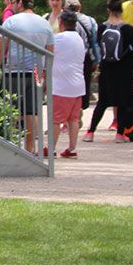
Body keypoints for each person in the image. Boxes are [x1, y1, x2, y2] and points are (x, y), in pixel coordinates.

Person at [0, 0, 53, 154]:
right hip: (36, 73)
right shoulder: (45, 23)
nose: (13, 5)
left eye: (14, 2)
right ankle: (30, 147)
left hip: (13, 72)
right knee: (32, 110)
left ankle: (10, 146)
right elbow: (50, 52)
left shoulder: (11, 22)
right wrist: (46, 76)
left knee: (10, 110)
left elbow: (1, 49)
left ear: (20, 3)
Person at [86, 0, 133, 142]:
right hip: (125, 69)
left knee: (103, 102)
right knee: (124, 102)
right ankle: (120, 134)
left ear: (108, 10)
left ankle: (90, 132)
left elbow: (99, 48)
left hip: (106, 68)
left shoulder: (101, 27)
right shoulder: (127, 29)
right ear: (121, 10)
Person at [50, 10, 87, 158]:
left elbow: (48, 53)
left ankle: (51, 148)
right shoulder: (79, 38)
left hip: (61, 86)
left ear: (61, 23)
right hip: (78, 84)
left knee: (56, 119)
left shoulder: (58, 38)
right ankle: (72, 148)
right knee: (74, 119)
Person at [64, 0, 99, 112]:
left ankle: (72, 111)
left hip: (69, 57)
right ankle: (79, 109)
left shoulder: (64, 20)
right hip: (86, 56)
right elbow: (94, 41)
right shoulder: (90, 20)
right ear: (80, 6)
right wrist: (97, 59)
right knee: (83, 83)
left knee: (69, 85)